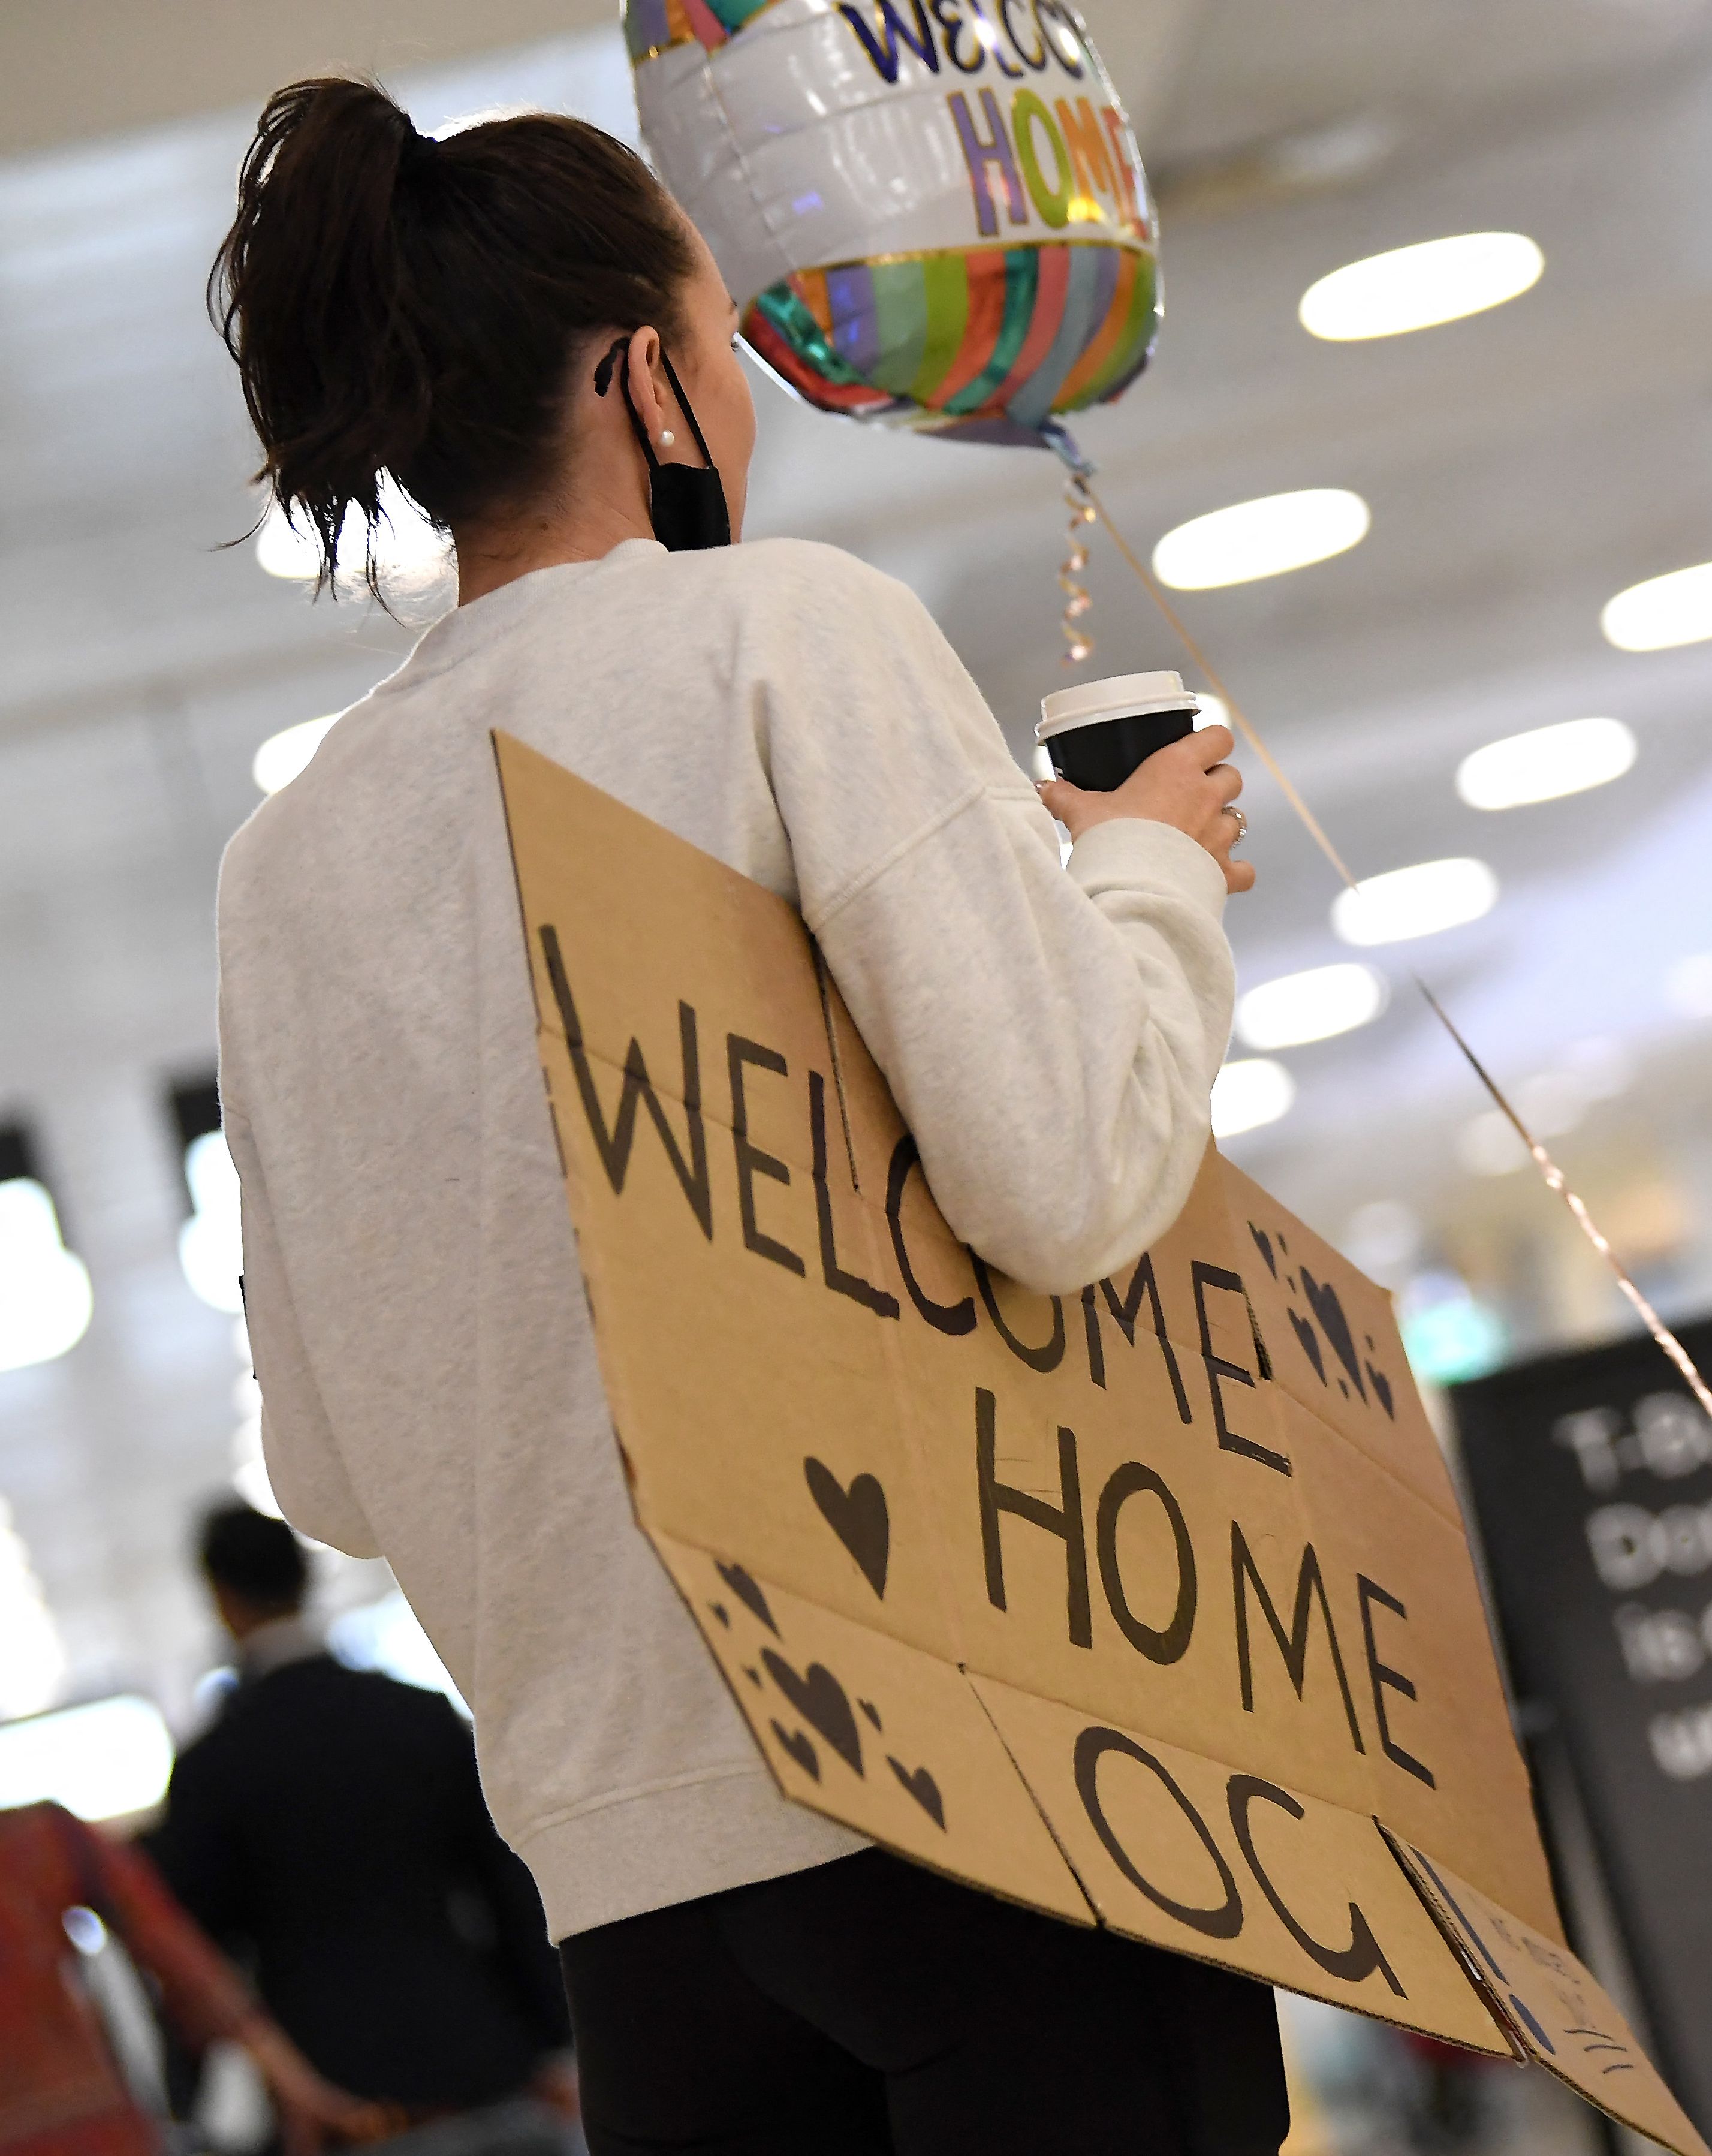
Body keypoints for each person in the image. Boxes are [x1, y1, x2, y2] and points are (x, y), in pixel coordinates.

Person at [206, 77, 1277, 2154]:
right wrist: (1142, 880)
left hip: (639, 1904)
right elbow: (1060, 1176)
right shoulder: (782, 635)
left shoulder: (287, 865)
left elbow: (330, 1465)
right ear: (643, 378)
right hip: (992, 1779)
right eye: (726, 337)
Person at [146, 1505, 574, 2146]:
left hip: (339, 2097)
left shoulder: (215, 1767)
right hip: (483, 2061)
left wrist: (187, 2102)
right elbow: (514, 1888)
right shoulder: (419, 1718)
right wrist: (557, 2042)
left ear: (220, 1597)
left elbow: (192, 1954)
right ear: (307, 1580)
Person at [0, 1799, 382, 2155]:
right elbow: (184, 1963)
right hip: (87, 2129)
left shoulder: (41, 1838)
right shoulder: (38, 1838)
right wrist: (294, 2083)